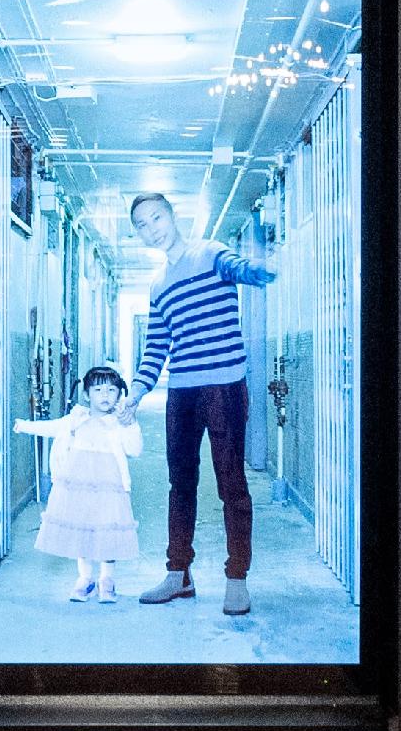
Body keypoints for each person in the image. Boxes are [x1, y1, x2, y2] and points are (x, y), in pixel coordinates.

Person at [124, 191, 276, 615]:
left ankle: (237, 577)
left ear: (173, 216)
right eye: (143, 225)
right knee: (181, 484)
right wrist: (136, 393)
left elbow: (236, 268)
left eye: (156, 218)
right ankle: (179, 575)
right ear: (139, 234)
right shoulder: (158, 286)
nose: (152, 228)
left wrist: (257, 271)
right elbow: (156, 347)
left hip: (224, 387)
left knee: (232, 485)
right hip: (182, 393)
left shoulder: (209, 253)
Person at [18, 367, 145, 604]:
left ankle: (107, 579)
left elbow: (135, 449)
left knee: (108, 529)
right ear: (87, 394)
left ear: (119, 395)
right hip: (77, 484)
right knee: (82, 528)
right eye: (98, 390)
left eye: (111, 390)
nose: (105, 395)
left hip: (109, 486)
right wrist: (25, 426)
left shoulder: (119, 423)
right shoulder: (77, 419)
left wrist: (131, 424)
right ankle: (85, 578)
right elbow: (53, 427)